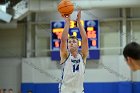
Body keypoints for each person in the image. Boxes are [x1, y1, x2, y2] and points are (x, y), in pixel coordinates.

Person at [59, 10, 88, 93]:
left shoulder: (82, 56)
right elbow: (63, 40)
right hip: (66, 90)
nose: (71, 43)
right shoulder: (65, 55)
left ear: (78, 45)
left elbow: (85, 39)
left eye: (74, 42)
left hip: (79, 90)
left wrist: (78, 21)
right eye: (70, 42)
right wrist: (67, 22)